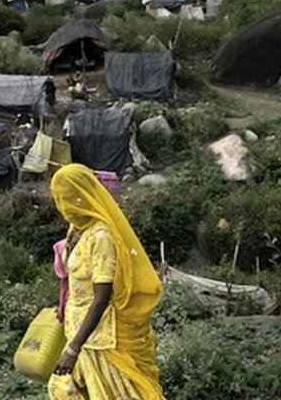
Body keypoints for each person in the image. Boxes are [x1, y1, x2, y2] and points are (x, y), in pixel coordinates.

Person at [48, 164, 165, 400]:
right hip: (79, 332)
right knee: (63, 389)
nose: (61, 204)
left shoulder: (100, 236)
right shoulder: (77, 230)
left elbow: (102, 298)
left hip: (101, 339)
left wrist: (73, 349)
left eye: (65, 197)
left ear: (79, 197)